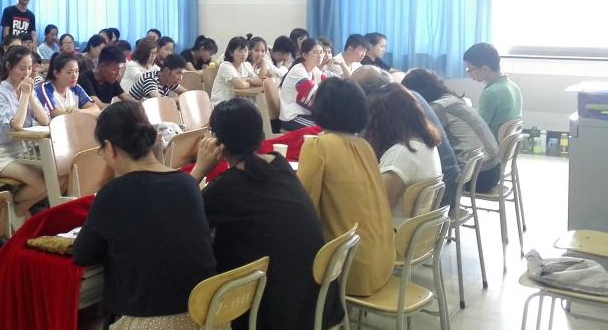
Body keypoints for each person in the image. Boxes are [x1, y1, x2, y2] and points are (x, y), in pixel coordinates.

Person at [190, 99, 338, 330]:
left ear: (217, 142)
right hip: (316, 301)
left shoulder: (228, 187)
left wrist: (199, 169)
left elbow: (180, 214)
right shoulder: (280, 164)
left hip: (274, 312)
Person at [73, 102, 216, 329]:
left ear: (109, 148)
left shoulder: (113, 194)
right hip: (207, 316)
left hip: (150, 322)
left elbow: (82, 254)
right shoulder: (187, 184)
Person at [296, 77, 395, 297]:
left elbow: (303, 208)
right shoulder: (365, 146)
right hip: (384, 260)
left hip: (349, 266)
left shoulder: (318, 146)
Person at [351, 66, 461, 208]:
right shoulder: (407, 102)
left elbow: (376, 208)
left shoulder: (400, 153)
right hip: (442, 194)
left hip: (426, 206)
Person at [402, 69, 501, 192]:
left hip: (478, 177)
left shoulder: (437, 108)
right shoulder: (453, 99)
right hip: (493, 169)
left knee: (415, 171)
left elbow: (421, 139)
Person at [363, 84, 443, 222]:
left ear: (381, 123)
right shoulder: (424, 144)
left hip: (394, 231)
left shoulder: (401, 154)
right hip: (414, 230)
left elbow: (377, 211)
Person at [0, 47, 50, 216]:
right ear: (9, 66)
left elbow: (45, 120)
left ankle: (21, 208)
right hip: (2, 154)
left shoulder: (26, 89)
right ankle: (13, 209)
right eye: (22, 68)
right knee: (41, 182)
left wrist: (30, 95)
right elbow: (17, 125)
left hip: (25, 151)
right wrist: (25, 96)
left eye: (29, 68)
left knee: (56, 175)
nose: (27, 73)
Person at [463, 42, 523, 140]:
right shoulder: (514, 87)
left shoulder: (490, 93)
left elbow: (478, 128)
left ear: (485, 69)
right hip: (503, 145)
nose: (468, 74)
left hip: (490, 145)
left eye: (469, 69)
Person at [279, 38, 332, 131]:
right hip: (292, 118)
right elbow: (317, 95)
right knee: (325, 128)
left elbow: (330, 86)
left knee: (332, 124)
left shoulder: (314, 70)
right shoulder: (298, 71)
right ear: (305, 55)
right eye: (315, 52)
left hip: (306, 115)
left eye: (321, 52)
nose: (320, 56)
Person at [34, 53, 99, 118]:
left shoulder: (76, 88)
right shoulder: (44, 89)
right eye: (69, 72)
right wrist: (77, 114)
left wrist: (79, 111)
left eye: (76, 71)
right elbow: (54, 113)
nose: (74, 76)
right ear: (56, 73)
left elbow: (96, 109)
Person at [210, 36, 262, 107]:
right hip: (222, 104)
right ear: (231, 53)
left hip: (236, 103)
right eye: (240, 51)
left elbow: (259, 81)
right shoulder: (225, 66)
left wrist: (247, 79)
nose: (243, 54)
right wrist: (249, 83)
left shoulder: (246, 65)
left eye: (245, 51)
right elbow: (241, 85)